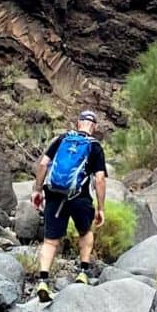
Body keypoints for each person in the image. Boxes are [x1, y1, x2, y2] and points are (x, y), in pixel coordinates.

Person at [33, 107, 111, 272]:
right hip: (79, 198)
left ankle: (43, 279)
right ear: (94, 127)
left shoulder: (61, 139)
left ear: (78, 124)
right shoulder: (95, 147)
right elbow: (100, 179)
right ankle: (83, 271)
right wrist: (101, 208)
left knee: (50, 241)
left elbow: (43, 164)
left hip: (54, 194)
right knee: (85, 232)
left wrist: (37, 190)